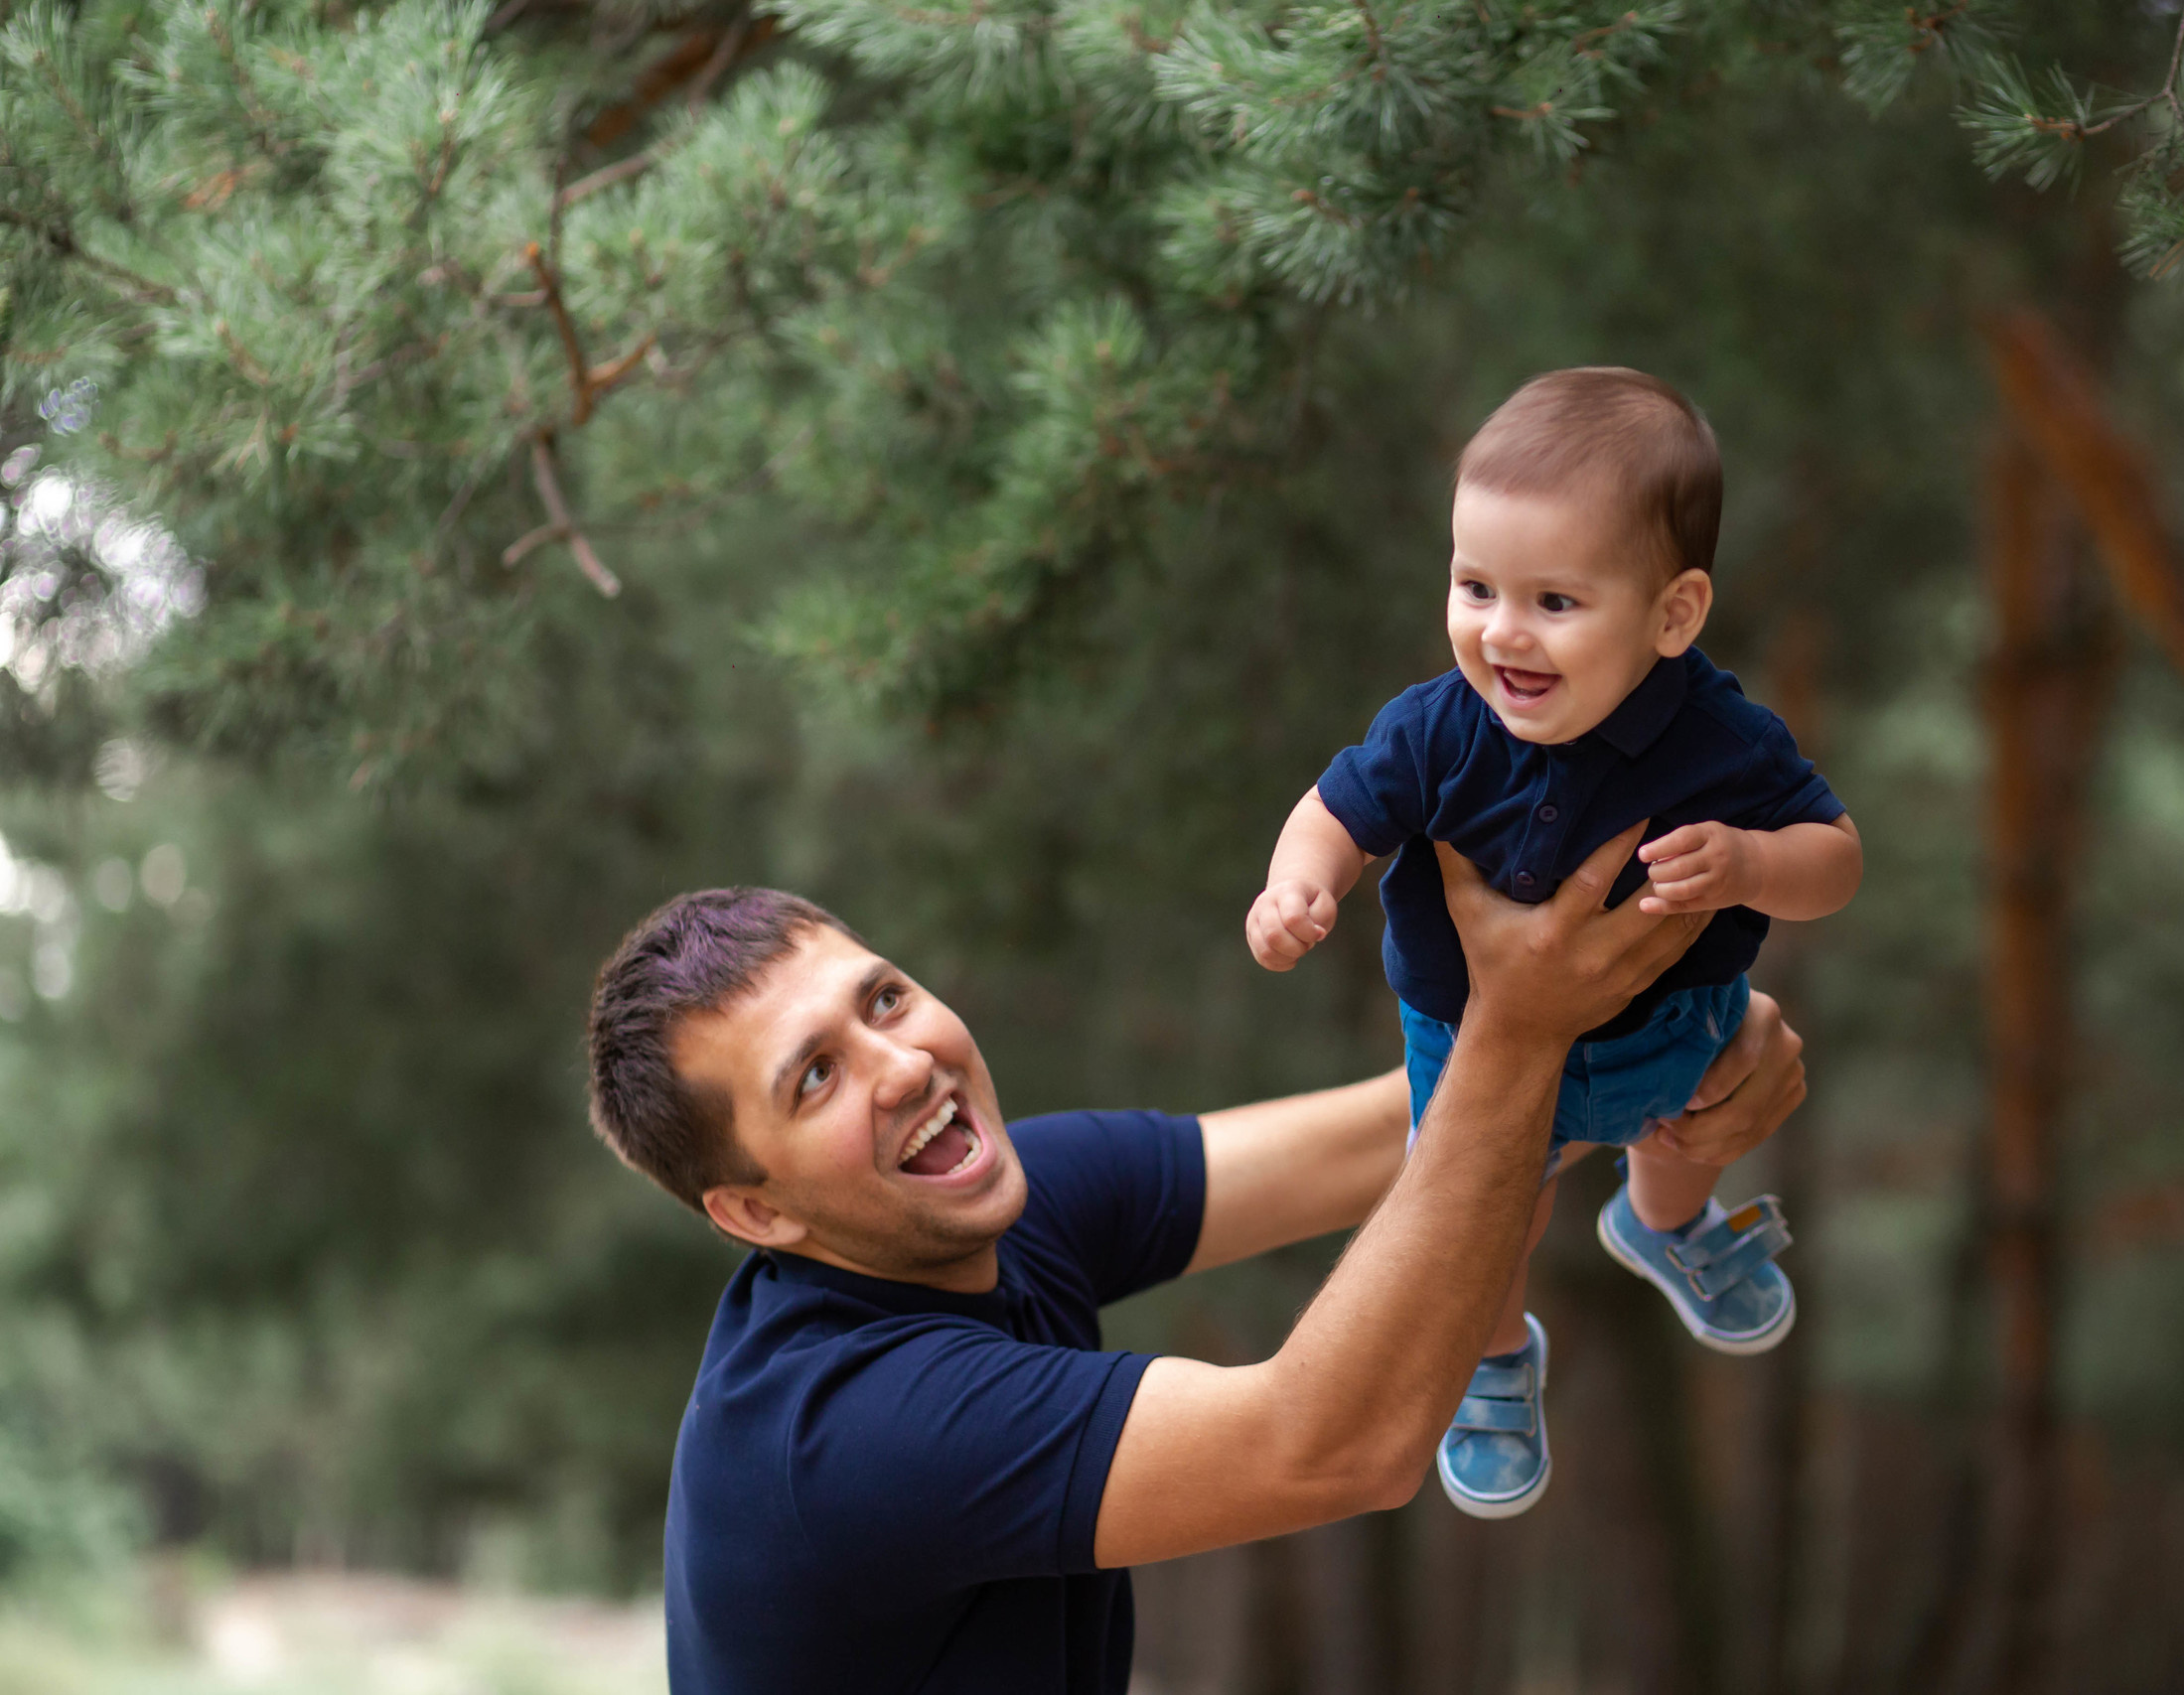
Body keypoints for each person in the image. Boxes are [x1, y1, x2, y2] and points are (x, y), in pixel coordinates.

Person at [585, 829, 1806, 1694]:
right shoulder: (845, 1430)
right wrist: (1525, 1035)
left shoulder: (995, 1206)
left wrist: (1663, 1046)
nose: (900, 1065)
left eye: (886, 1000)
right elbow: (1335, 1439)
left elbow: (1397, 1135)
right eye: (815, 1076)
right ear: (755, 1215)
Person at [1246, 366, 1860, 1517]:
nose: (1501, 633)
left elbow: (1838, 858)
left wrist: (1751, 863)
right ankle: (1493, 1359)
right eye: (1473, 586)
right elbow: (1332, 812)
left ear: (1673, 614)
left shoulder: (1726, 743)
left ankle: (1661, 1224)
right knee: (1489, 1208)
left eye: (1554, 603)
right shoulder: (1436, 730)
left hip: (1673, 1025)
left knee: (1703, 1113)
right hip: (1468, 1039)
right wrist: (1298, 887)